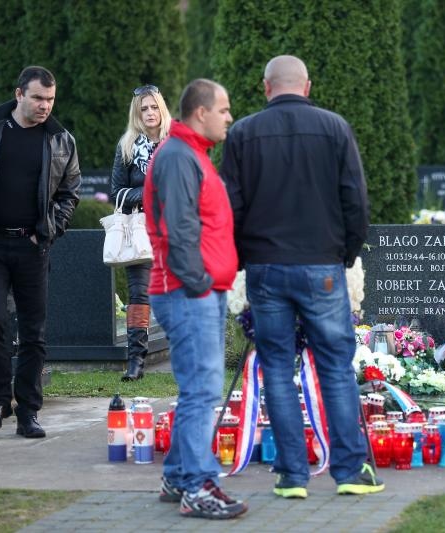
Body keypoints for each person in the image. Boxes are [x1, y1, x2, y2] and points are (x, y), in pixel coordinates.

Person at [221, 55, 380, 498]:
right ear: (306, 86)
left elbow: (229, 207)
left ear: (265, 86)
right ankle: (349, 471)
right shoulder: (334, 127)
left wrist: (241, 260)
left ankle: (291, 475)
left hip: (266, 267)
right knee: (335, 366)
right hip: (321, 264)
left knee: (275, 364)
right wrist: (344, 255)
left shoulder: (242, 133)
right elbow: (356, 200)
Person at [144, 79, 246, 520]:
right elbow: (179, 230)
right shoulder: (179, 157)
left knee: (198, 390)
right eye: (223, 109)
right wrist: (201, 283)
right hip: (187, 292)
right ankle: (198, 486)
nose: (229, 117)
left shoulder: (193, 156)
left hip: (197, 291)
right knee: (202, 392)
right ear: (200, 112)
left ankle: (178, 475)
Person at [0, 66, 80, 438]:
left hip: (33, 245)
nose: (45, 105)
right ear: (19, 95)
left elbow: (69, 193)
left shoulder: (61, 139)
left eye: (50, 99)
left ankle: (28, 410)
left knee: (33, 332)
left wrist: (49, 230)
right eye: (37, 98)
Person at [110, 84, 172, 381]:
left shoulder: (177, 143)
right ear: (137, 113)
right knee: (139, 295)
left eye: (154, 106)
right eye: (143, 108)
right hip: (140, 230)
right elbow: (116, 192)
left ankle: (185, 357)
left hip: (175, 229)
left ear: (162, 108)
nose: (150, 112)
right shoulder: (127, 146)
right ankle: (135, 361)